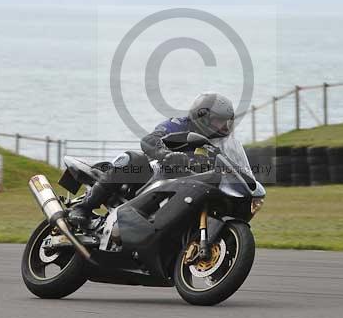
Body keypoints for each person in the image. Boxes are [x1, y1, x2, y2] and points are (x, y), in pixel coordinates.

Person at [68, 92, 235, 227]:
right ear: (202, 115)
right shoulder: (179, 124)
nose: (223, 126)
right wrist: (165, 154)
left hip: (188, 187)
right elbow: (149, 140)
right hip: (153, 174)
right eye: (218, 121)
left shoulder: (219, 143)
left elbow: (228, 163)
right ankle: (83, 208)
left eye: (225, 122)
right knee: (132, 159)